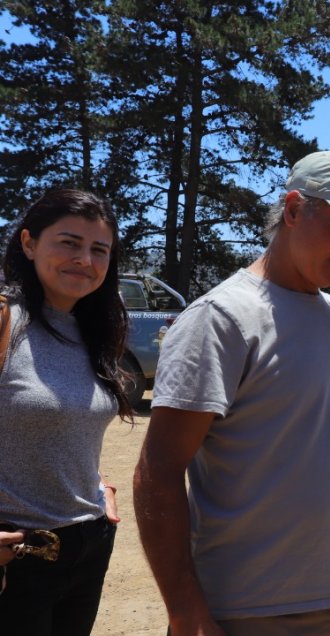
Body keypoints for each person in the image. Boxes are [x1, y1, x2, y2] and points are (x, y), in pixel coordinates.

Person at [133, 150, 330, 636]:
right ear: (293, 210)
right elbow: (157, 474)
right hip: (250, 607)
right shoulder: (221, 319)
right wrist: (185, 611)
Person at [0, 189, 133, 635]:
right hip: (15, 554)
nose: (86, 259)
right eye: (69, 243)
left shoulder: (94, 330)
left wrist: (98, 487)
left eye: (100, 250)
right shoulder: (4, 321)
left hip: (88, 544)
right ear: (29, 243)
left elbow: (71, 424)